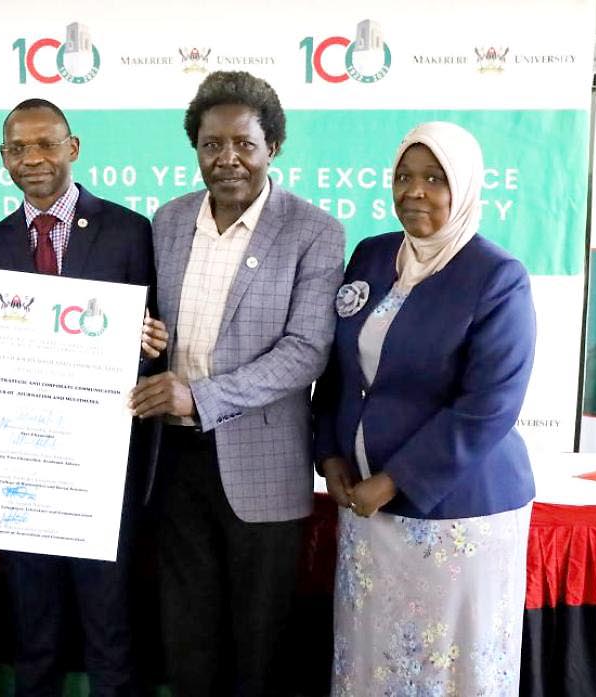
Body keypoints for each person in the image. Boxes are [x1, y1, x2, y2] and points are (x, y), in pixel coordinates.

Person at [0, 98, 165, 697]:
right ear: (3, 159)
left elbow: (156, 342)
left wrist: (149, 341)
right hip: (20, 473)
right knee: (33, 637)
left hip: (100, 473)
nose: (33, 158)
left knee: (109, 634)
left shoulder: (128, 230)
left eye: (46, 144)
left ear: (74, 147)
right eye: (18, 148)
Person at [128, 71, 345, 697]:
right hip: (170, 464)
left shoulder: (314, 231)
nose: (227, 159)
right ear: (196, 148)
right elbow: (149, 323)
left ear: (271, 146)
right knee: (186, 639)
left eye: (243, 144)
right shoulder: (167, 221)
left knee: (260, 645)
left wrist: (200, 397)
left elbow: (305, 352)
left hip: (261, 467)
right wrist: (137, 340)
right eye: (211, 144)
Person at [311, 121, 536, 696]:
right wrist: (330, 452)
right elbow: (338, 365)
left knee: (444, 668)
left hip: (457, 513)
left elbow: (490, 405)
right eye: (405, 177)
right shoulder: (372, 254)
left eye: (434, 179)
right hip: (365, 510)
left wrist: (394, 480)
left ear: (462, 189)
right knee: (373, 659)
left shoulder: (497, 277)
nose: (415, 191)